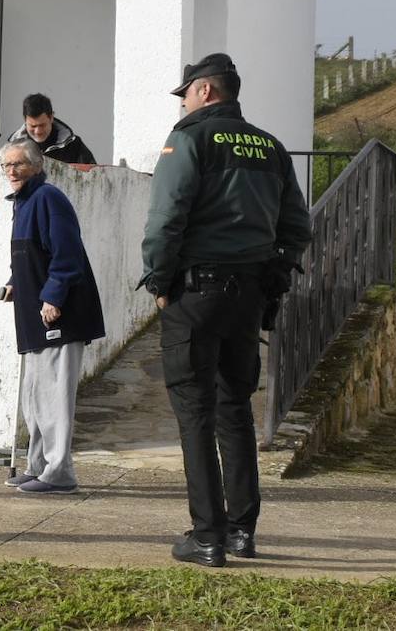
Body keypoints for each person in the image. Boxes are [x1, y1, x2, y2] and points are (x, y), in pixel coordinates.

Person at [140, 52, 311, 567]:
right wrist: (274, 276)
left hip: (196, 292)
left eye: (187, 92)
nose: (184, 102)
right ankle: (242, 532)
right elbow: (296, 227)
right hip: (249, 295)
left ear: (206, 91)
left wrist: (159, 278)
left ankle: (207, 535)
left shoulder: (189, 139)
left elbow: (166, 217)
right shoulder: (272, 147)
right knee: (235, 410)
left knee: (194, 411)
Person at [0, 136, 105, 494]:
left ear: (37, 166)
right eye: (7, 165)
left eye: (19, 164)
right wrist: (15, 282)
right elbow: (32, 256)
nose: (12, 171)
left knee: (54, 397)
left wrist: (53, 297)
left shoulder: (47, 198)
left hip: (57, 316)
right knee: (36, 396)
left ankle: (60, 473)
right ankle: (39, 466)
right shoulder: (24, 202)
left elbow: (67, 254)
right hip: (35, 317)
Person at [11, 93, 97, 165]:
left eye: (42, 125)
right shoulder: (13, 146)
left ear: (51, 117)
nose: (38, 131)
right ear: (25, 120)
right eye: (32, 126)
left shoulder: (74, 146)